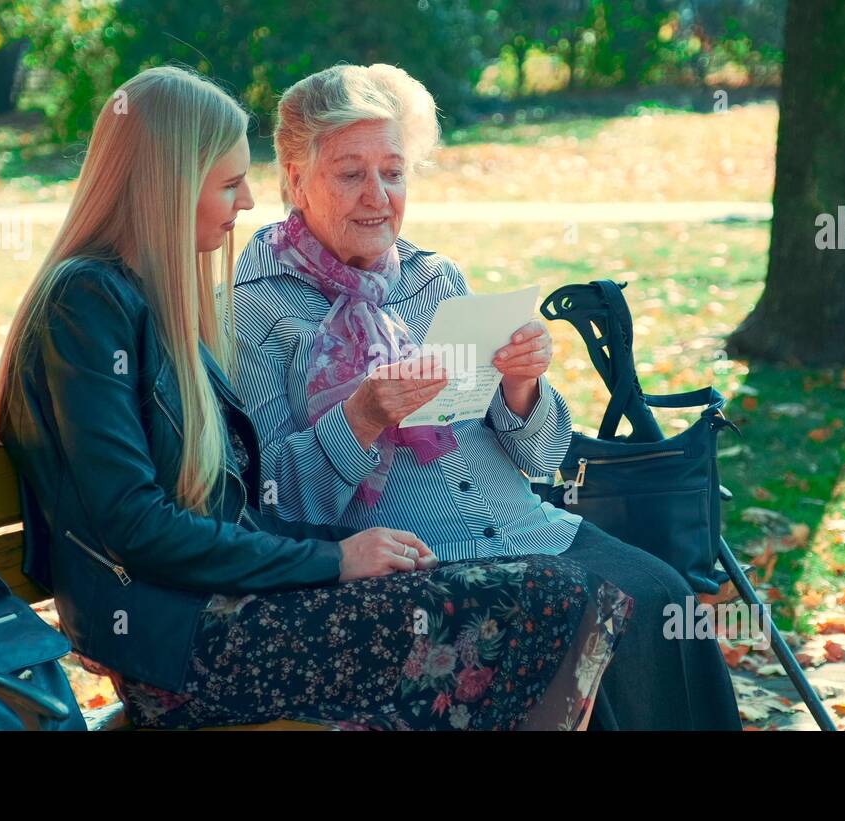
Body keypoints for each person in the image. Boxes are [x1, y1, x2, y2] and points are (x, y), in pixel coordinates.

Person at [0, 65, 632, 730]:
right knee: (543, 598)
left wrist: (345, 546)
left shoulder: (149, 298)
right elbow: (138, 525)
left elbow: (228, 507)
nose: (245, 204)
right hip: (179, 641)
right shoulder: (88, 302)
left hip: (223, 604)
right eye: (230, 184)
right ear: (170, 186)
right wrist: (335, 556)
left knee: (556, 596)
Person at [233, 63, 742, 730]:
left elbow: (540, 456)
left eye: (393, 171)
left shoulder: (435, 276)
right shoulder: (257, 304)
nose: (378, 196)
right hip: (421, 559)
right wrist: (362, 416)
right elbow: (271, 500)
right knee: (588, 624)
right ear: (294, 179)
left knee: (662, 594)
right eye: (350, 173)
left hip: (529, 526)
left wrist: (522, 385)